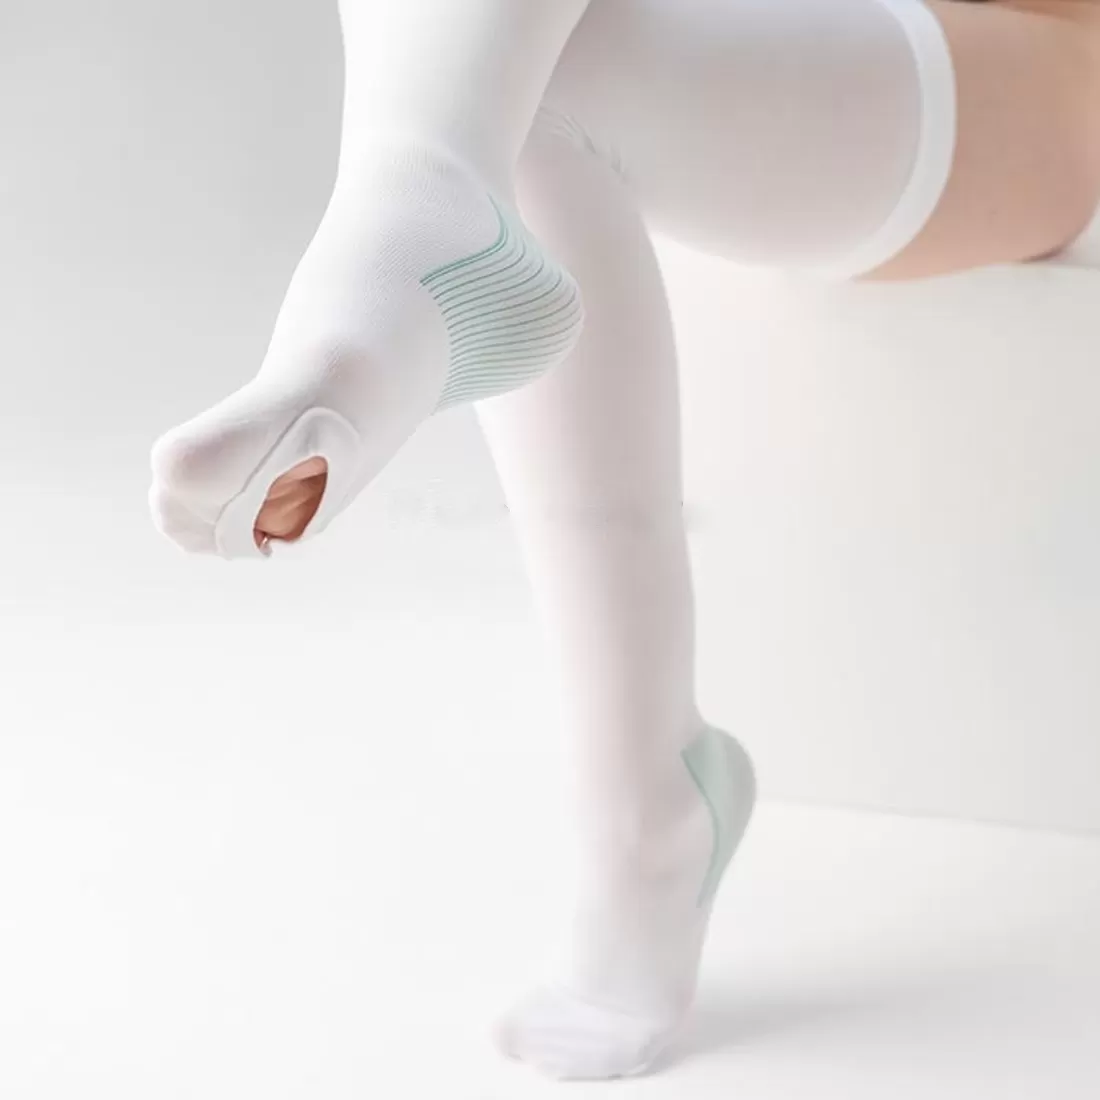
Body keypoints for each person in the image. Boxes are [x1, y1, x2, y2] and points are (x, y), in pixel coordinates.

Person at [148, 0, 1100, 1081]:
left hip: (1039, 69)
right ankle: (411, 215)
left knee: (520, 95)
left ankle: (398, 238)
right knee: (500, 83)